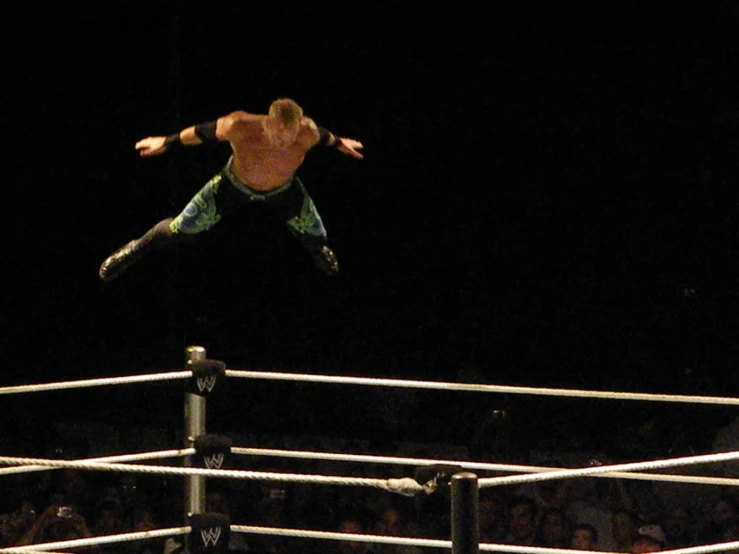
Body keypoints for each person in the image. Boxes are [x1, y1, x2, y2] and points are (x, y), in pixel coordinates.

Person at [99, 98, 364, 282]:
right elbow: (201, 132)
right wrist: (166, 142)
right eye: (278, 136)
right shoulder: (240, 125)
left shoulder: (308, 132)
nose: (283, 142)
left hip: (283, 190)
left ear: (300, 125)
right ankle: (134, 249)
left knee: (318, 236)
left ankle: (317, 248)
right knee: (181, 230)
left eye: (290, 136)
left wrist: (341, 143)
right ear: (269, 122)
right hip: (232, 185)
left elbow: (327, 137)